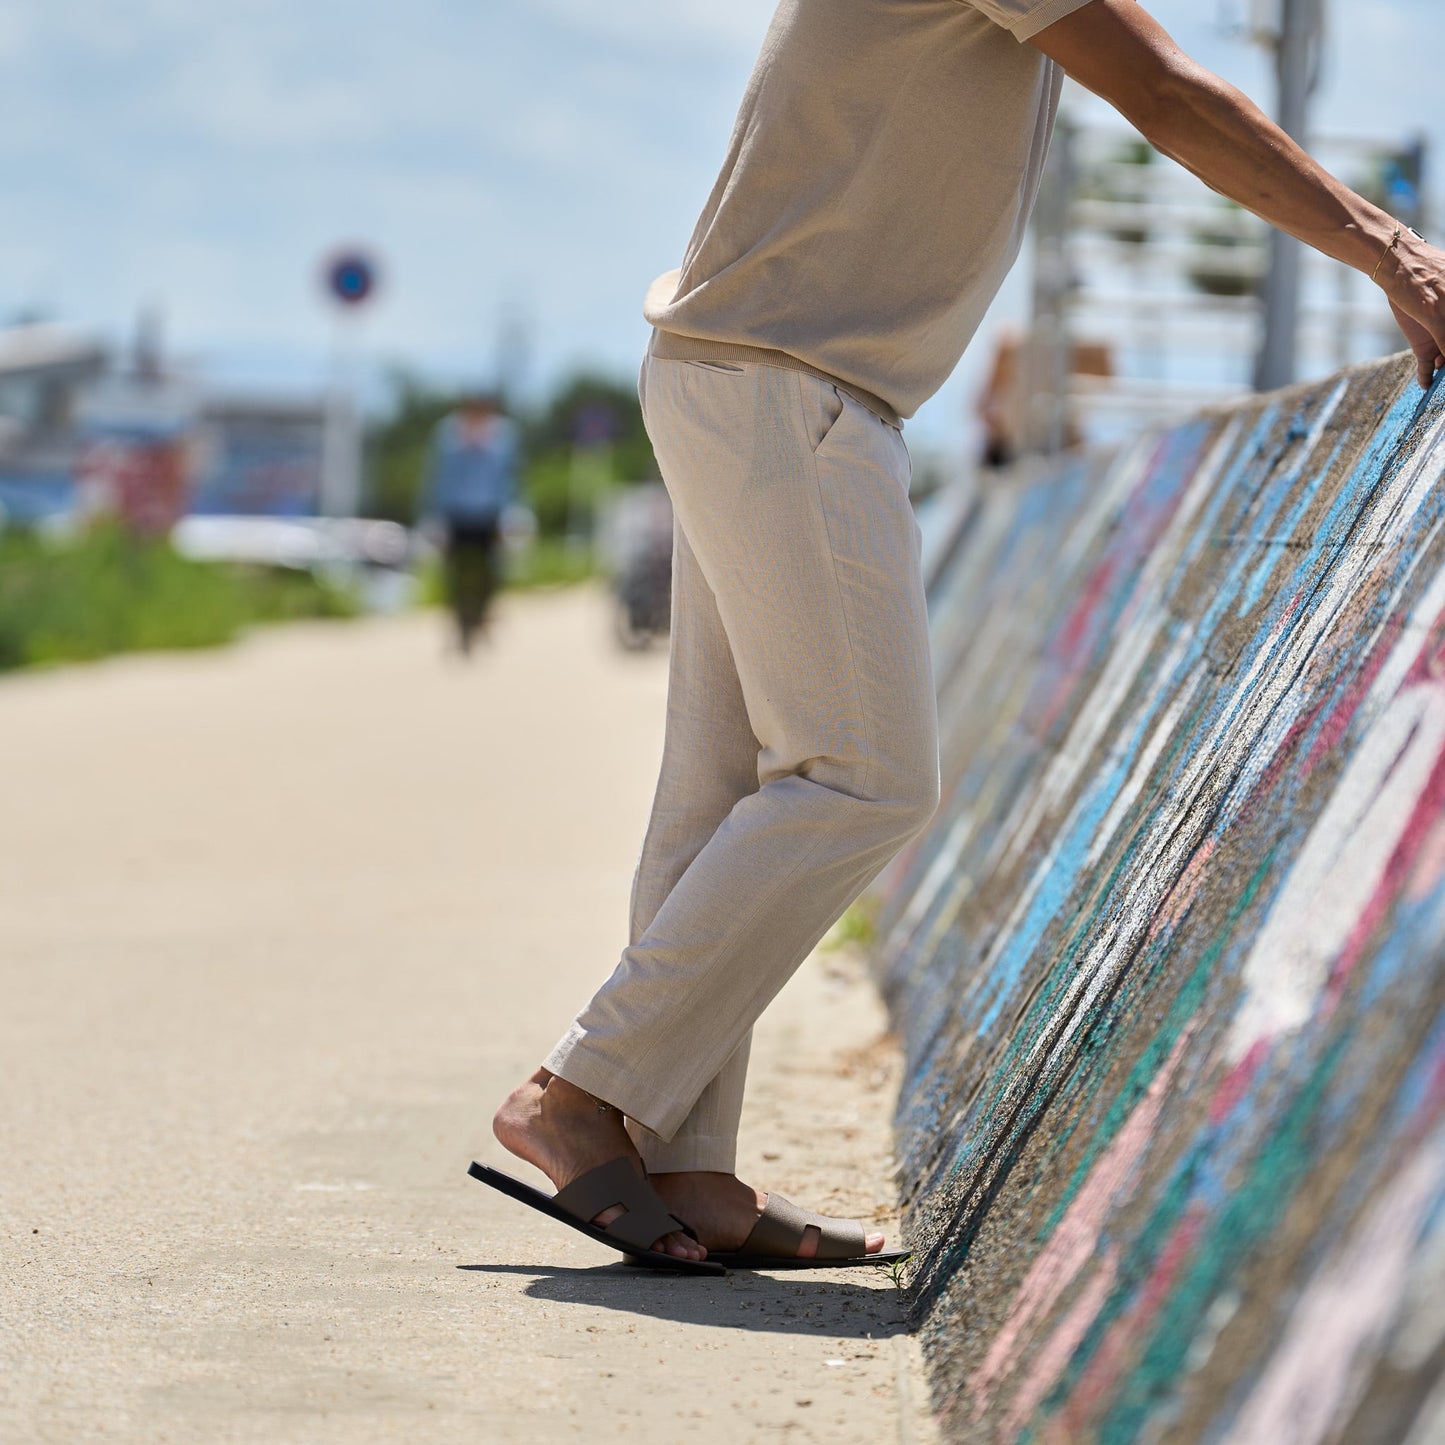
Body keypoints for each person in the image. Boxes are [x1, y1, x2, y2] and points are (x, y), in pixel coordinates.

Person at [478, 0, 1445, 1269]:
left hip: (739, 371)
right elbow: (1160, 93)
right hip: (787, 382)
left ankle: (679, 1161)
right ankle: (579, 1089)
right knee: (862, 773)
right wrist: (1388, 247)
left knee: (723, 795)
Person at [419, 393, 518, 653]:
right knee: (452, 572)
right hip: (455, 513)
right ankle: (459, 619)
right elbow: (436, 477)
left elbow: (510, 476)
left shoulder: (504, 435)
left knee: (493, 569)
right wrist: (432, 515)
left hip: (489, 512)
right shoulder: (447, 435)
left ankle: (483, 613)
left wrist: (513, 511)